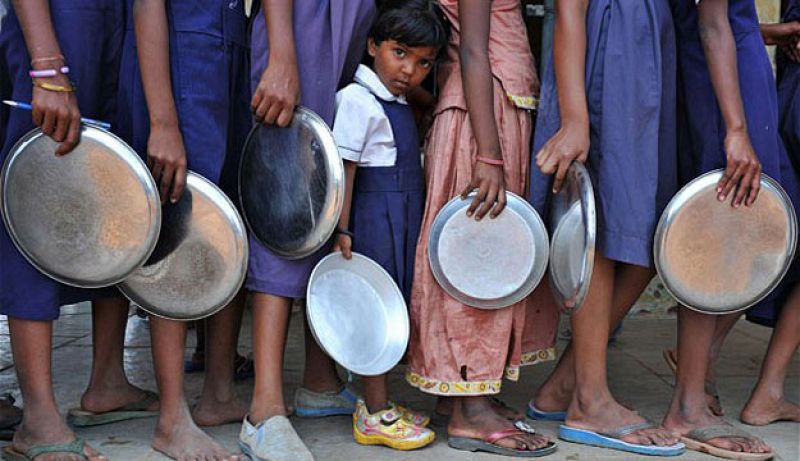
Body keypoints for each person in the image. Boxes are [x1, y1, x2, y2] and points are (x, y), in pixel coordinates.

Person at [0, 1, 158, 459]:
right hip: (58, 24)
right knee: (38, 192)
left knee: (113, 192)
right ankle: (39, 417)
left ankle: (107, 381)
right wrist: (46, 64)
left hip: (122, 20)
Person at [527, 0, 685, 457]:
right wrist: (576, 118)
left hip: (649, 45)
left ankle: (565, 386)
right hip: (606, 51)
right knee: (597, 220)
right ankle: (590, 401)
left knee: (649, 230)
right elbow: (570, 9)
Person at [405, 0, 559, 456]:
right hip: (482, 118)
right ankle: (470, 411)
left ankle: (462, 393)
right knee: (478, 260)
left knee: (483, 257)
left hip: (490, 108)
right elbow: (474, 49)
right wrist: (489, 154)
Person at [114, 0, 253, 459]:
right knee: (181, 228)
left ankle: (219, 393)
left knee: (227, 226)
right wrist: (163, 121)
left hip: (227, 50)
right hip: (183, 64)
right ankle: (172, 418)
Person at [239, 1, 377, 460]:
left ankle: (319, 381)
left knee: (325, 191)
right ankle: (264, 411)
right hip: (300, 23)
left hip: (348, 18)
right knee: (288, 192)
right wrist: (281, 56)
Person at [663, 0, 800, 459]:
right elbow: (712, 21)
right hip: (727, 80)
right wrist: (736, 127)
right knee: (724, 229)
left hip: (728, 67)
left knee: (745, 230)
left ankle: (695, 382)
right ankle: (687, 405)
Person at [330, 5, 447, 451]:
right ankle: (374, 412)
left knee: (395, 305)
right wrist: (343, 229)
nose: (409, 70)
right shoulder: (357, 101)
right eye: (399, 53)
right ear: (372, 46)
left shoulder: (397, 101)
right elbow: (347, 170)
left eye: (423, 62)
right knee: (374, 312)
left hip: (403, 215)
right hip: (373, 221)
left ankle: (381, 402)